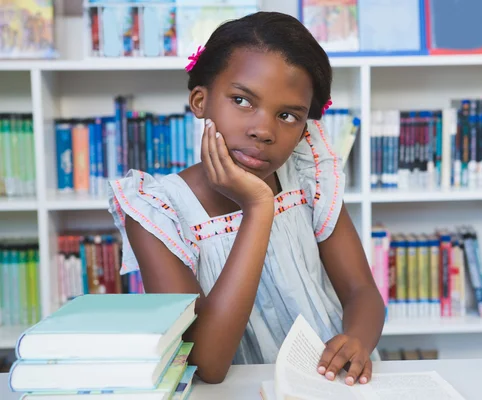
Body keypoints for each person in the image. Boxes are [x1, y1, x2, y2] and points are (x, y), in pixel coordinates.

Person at [107, 11, 385, 386]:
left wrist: (358, 340)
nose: (263, 130)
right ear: (200, 100)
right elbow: (207, 362)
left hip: (332, 382)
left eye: (287, 115)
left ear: (306, 128)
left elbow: (362, 292)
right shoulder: (157, 214)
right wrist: (257, 208)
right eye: (242, 100)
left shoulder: (308, 178)